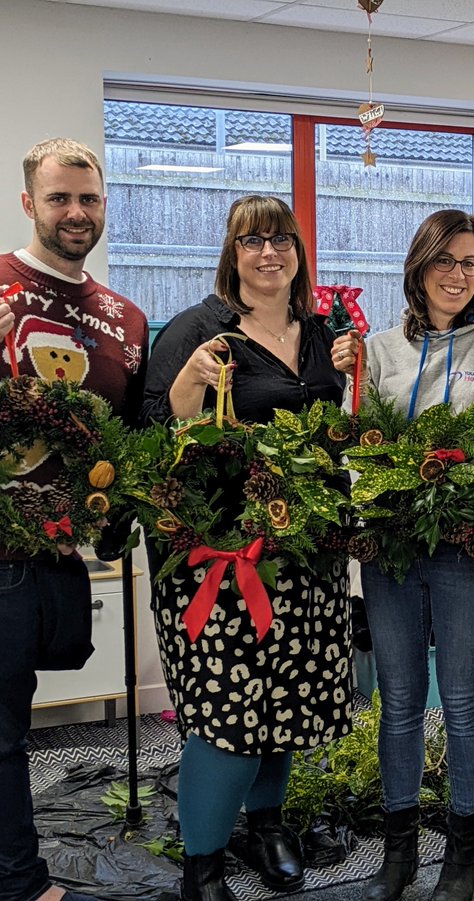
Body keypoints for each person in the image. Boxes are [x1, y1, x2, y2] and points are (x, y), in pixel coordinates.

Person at [141, 196, 357, 899]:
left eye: (281, 238)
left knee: (284, 705)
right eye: (252, 239)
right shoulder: (198, 331)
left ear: (298, 250)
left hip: (306, 558)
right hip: (222, 565)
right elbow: (152, 445)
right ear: (232, 253)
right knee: (228, 715)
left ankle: (264, 826)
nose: (269, 252)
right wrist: (186, 391)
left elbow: (334, 430)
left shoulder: (324, 328)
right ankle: (200, 865)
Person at [360, 209, 474, 901]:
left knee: (464, 700)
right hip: (392, 549)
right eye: (446, 261)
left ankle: (462, 857)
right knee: (398, 699)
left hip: (470, 549)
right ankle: (399, 854)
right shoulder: (380, 350)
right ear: (419, 267)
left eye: (471, 264)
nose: (459, 275)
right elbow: (358, 445)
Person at [0, 139, 148, 901]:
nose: (76, 212)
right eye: (59, 198)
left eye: (88, 198)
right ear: (30, 202)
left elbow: (127, 442)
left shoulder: (126, 319)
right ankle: (22, 883)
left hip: (63, 553)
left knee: (19, 713)